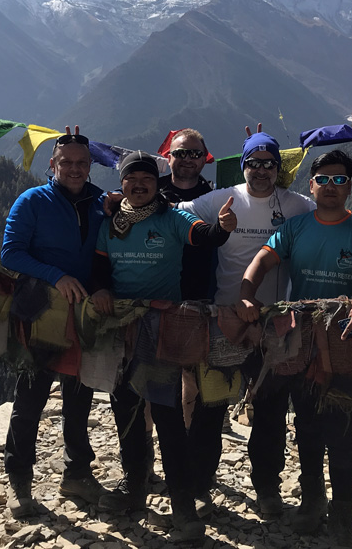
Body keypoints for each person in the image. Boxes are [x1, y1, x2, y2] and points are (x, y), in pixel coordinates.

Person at [238, 149, 352, 546]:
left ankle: (343, 511)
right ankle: (313, 501)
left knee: (343, 431)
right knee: (307, 426)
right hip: (304, 342)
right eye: (323, 179)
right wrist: (245, 295)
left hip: (345, 340)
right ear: (311, 185)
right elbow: (262, 260)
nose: (331, 187)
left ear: (349, 186)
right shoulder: (295, 227)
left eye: (339, 180)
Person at [88, 151, 236, 543]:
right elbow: (101, 268)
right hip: (120, 327)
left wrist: (221, 229)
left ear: (157, 185)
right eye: (131, 180)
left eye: (147, 180)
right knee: (127, 410)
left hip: (162, 330)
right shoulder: (111, 223)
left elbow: (201, 236)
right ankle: (135, 486)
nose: (139, 185)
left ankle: (183, 503)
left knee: (168, 416)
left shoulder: (171, 217)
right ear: (122, 184)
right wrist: (101, 288)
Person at [175, 131, 315, 516]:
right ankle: (199, 484)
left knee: (270, 407)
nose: (260, 170)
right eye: (253, 163)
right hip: (225, 318)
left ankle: (267, 489)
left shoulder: (294, 204)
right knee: (211, 403)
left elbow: (331, 216)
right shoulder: (224, 198)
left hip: (275, 320)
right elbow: (178, 210)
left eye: (269, 163)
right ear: (244, 166)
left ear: (278, 168)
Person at [0, 128, 108, 516]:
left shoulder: (101, 203)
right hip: (40, 314)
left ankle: (77, 474)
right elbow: (10, 253)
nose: (75, 169)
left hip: (83, 316)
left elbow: (108, 253)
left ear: (91, 165)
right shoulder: (32, 201)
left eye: (82, 163)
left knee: (79, 400)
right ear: (53, 164)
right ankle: (19, 482)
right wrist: (55, 276)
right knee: (30, 400)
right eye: (67, 162)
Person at [157, 128, 215, 300]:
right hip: (154, 295)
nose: (188, 159)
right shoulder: (149, 192)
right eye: (181, 153)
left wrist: (256, 152)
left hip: (201, 295)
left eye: (195, 154)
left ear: (204, 160)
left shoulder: (216, 197)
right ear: (168, 158)